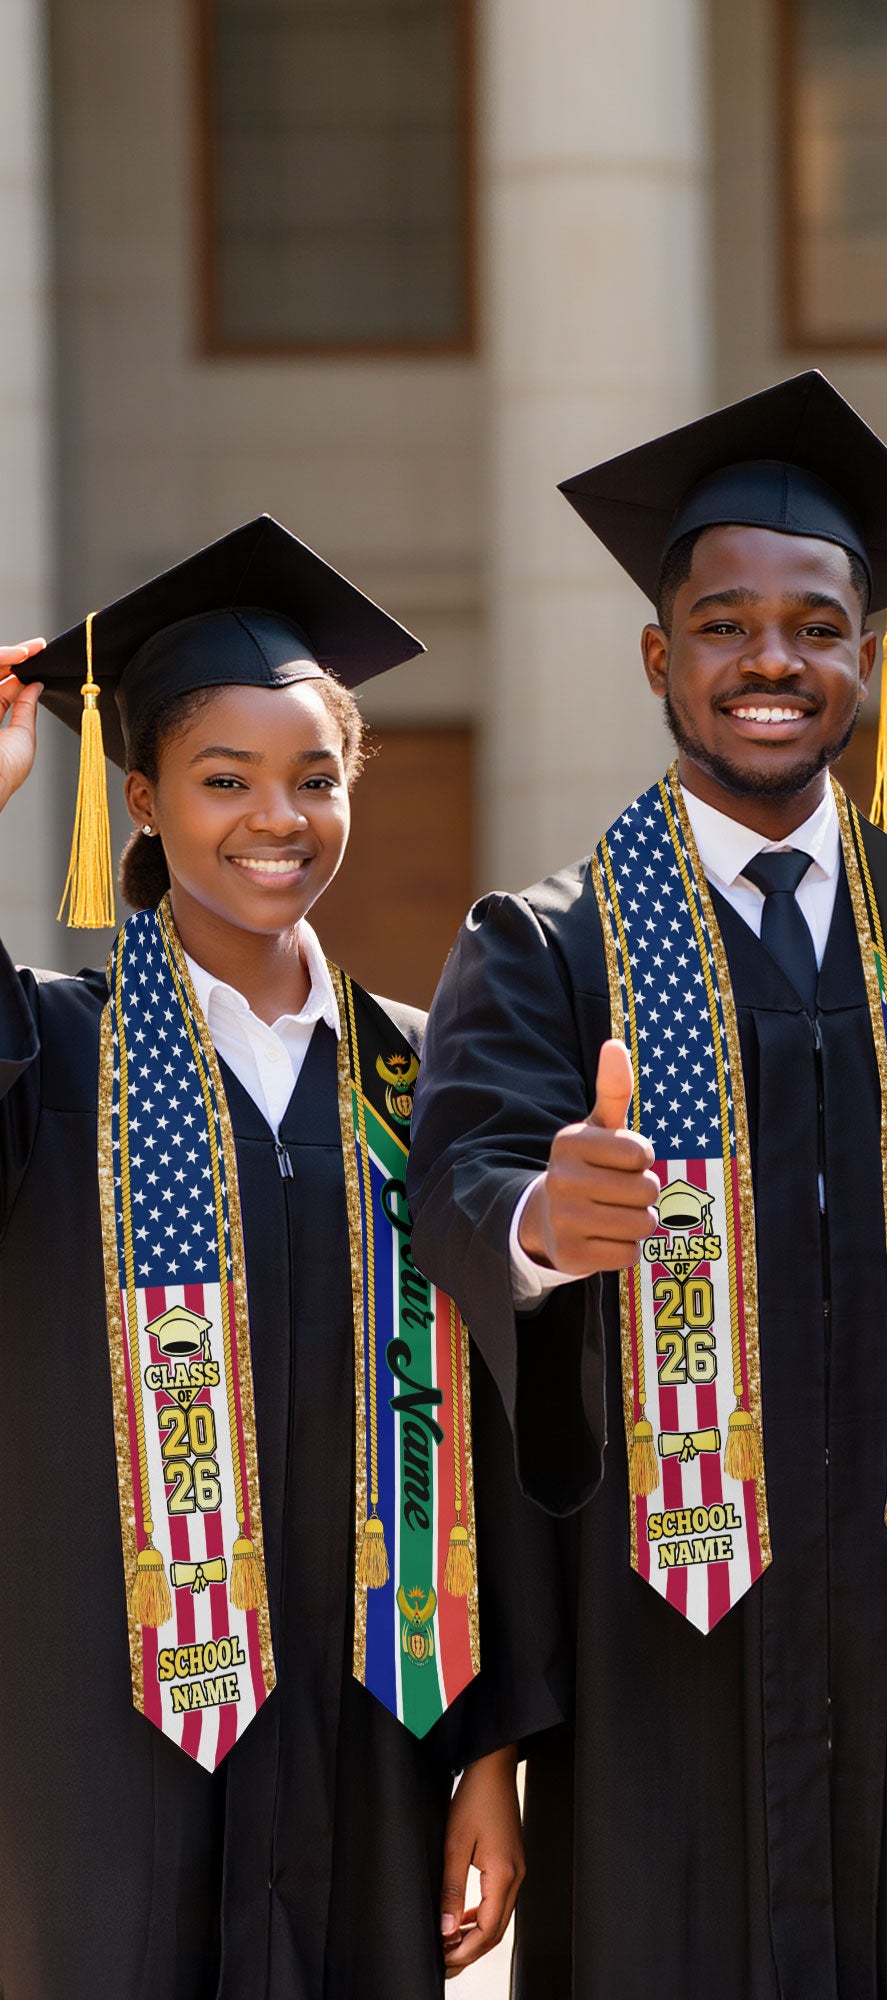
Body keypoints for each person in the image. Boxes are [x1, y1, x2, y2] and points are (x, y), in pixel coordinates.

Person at [406, 371, 887, 1995]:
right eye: (723, 626)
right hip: (651, 1662)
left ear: (870, 658)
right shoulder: (548, 948)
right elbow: (458, 1186)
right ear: (660, 658)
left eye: (816, 626)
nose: (771, 660)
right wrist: (541, 1224)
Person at [0, 516, 565, 1999]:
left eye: (316, 779)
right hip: (99, 1742)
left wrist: (490, 1757)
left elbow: (497, 1428)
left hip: (371, 1726)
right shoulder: (50, 1057)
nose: (278, 817)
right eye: (224, 779)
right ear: (140, 799)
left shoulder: (427, 1083)